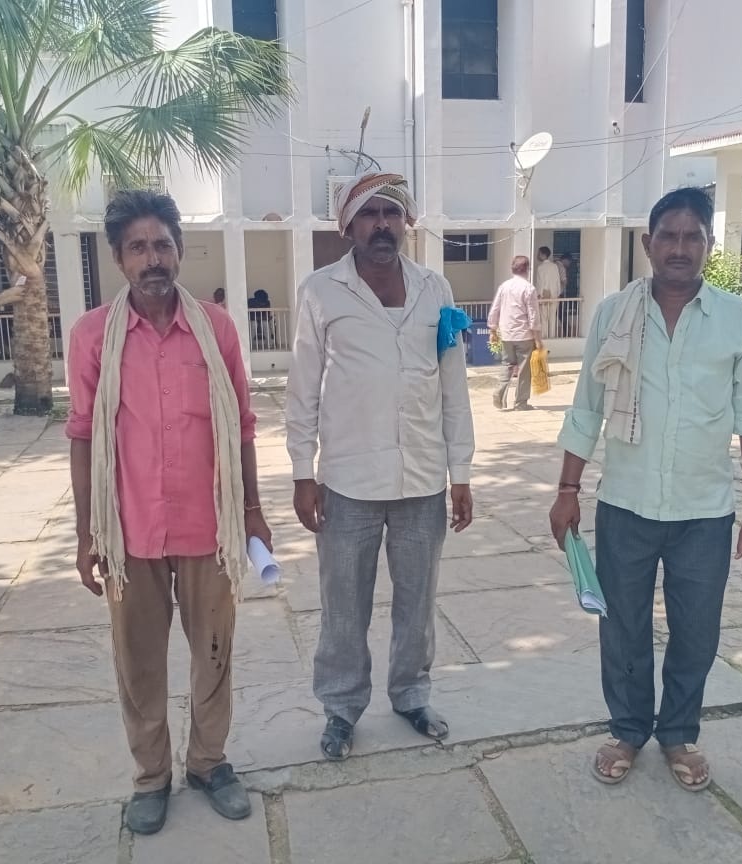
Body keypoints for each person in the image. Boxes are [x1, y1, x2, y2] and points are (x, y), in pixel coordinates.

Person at [549, 187, 742, 792]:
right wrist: (568, 488)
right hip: (626, 504)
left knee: (696, 630)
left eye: (692, 236)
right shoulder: (614, 315)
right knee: (622, 625)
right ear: (648, 244)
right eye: (668, 236)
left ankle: (678, 733)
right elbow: (587, 407)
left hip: (704, 510)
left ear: (708, 243)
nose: (680, 247)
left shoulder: (740, 319)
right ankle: (627, 730)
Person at [65, 190, 270, 835]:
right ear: (119, 259)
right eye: (138, 248)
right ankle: (151, 777)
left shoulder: (217, 328)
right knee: (138, 661)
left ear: (179, 251)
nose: (152, 259)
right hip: (130, 531)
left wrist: (254, 510)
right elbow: (82, 434)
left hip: (210, 527)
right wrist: (86, 533)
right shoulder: (92, 335)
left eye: (162, 245)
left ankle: (208, 762)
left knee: (214, 652)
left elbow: (242, 424)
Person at [286, 172, 475, 762]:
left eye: (392, 213)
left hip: (422, 478)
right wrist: (302, 472)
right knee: (344, 607)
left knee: (418, 603)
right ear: (348, 226)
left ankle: (412, 695)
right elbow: (302, 388)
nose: (382, 225)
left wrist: (462, 472)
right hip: (348, 482)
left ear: (407, 223)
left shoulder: (435, 289)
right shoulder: (321, 291)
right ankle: (341, 709)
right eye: (369, 215)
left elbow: (453, 386)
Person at [488, 255, 542, 411]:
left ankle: (500, 392)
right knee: (524, 370)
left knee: (507, 364)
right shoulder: (529, 288)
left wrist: (493, 330)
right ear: (527, 269)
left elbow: (495, 309)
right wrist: (537, 339)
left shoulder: (504, 286)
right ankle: (520, 403)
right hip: (524, 335)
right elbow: (533, 315)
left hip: (506, 333)